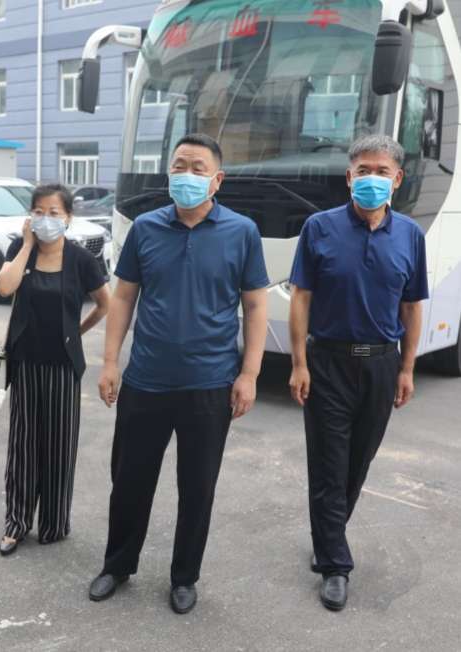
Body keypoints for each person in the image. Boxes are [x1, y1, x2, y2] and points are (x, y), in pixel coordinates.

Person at [89, 134, 269, 614]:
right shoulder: (146, 228)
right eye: (179, 165)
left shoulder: (242, 232)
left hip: (210, 385)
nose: (186, 174)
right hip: (146, 381)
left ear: (217, 179)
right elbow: (124, 296)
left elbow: (255, 306)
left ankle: (184, 576)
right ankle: (117, 565)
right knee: (130, 481)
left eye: (197, 167)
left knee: (197, 488)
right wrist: (111, 362)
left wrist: (249, 374)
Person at [288, 135, 428, 611]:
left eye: (381, 171)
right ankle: (335, 565)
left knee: (357, 463)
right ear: (349, 177)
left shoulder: (410, 236)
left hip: (382, 364)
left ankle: (328, 536)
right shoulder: (319, 228)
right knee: (328, 465)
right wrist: (299, 363)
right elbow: (301, 298)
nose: (371, 179)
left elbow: (412, 307)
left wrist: (407, 368)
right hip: (327, 361)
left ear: (397, 179)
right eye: (363, 170)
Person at [0, 183, 109, 555]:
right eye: (39, 212)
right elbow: (4, 287)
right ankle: (16, 523)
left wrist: (77, 332)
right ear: (30, 216)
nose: (46, 219)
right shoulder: (20, 248)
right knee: (23, 445)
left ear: (68, 218)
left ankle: (54, 524)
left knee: (59, 446)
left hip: (62, 365)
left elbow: (105, 304)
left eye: (54, 213)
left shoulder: (81, 260)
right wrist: (27, 245)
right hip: (25, 361)